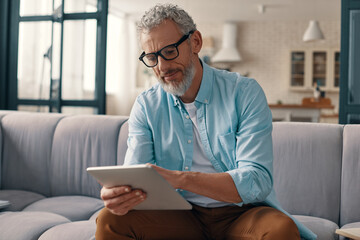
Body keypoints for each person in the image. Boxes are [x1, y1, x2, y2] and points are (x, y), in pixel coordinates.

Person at [96, 4, 316, 240]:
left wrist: (182, 179)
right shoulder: (146, 105)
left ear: (196, 43)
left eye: (169, 51)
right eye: (152, 57)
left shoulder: (244, 93)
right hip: (179, 216)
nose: (162, 67)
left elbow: (257, 180)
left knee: (280, 230)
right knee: (110, 219)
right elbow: (136, 177)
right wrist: (120, 194)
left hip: (240, 214)